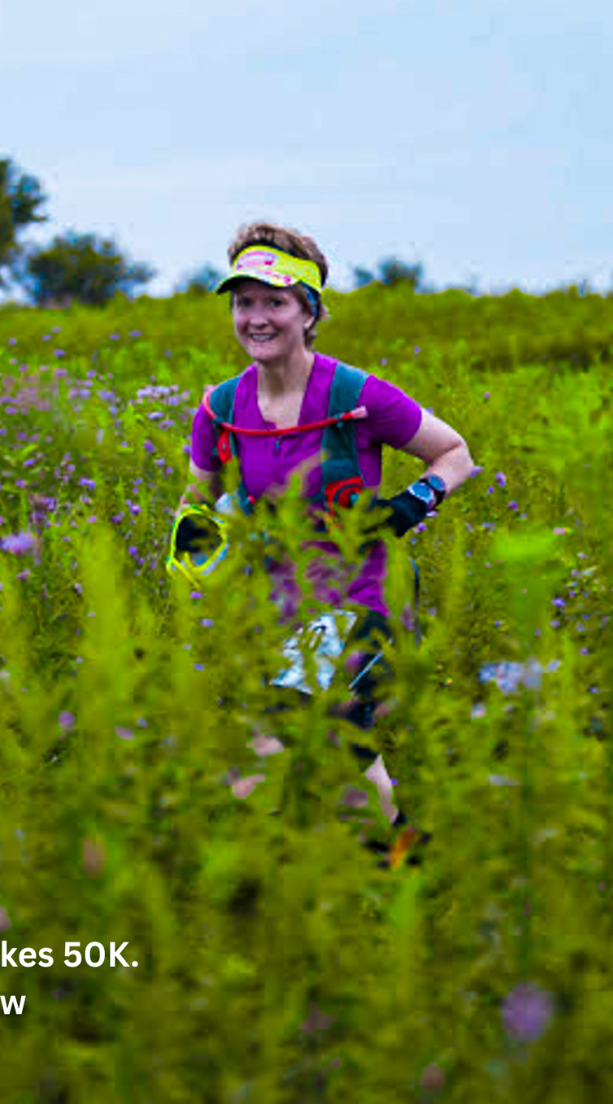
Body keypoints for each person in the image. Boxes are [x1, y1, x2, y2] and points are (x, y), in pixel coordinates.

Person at [176, 222, 478, 840]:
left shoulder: (356, 394)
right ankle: (404, 874)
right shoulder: (221, 410)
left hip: (365, 600)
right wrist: (204, 558)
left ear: (309, 313)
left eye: (275, 302)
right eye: (243, 302)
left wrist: (410, 504)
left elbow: (456, 454)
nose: (256, 318)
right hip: (280, 611)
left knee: (266, 754)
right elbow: (194, 507)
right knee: (346, 757)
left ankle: (227, 896)